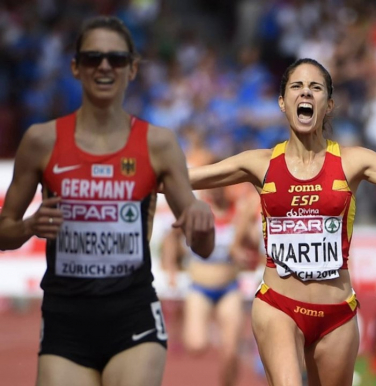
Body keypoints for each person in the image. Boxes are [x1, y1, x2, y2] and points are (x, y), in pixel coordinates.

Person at [186, 57, 376, 386]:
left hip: (337, 314)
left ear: (328, 104)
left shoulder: (351, 161)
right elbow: (185, 177)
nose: (306, 93)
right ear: (282, 102)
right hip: (278, 306)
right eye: (296, 87)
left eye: (315, 88)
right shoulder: (259, 163)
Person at [0, 16, 215, 386]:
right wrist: (27, 227)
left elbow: (203, 246)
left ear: (132, 69)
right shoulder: (41, 141)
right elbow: (3, 232)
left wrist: (201, 216)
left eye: (115, 59)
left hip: (133, 317)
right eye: (92, 57)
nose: (104, 66)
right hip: (65, 322)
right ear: (75, 67)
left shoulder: (158, 144)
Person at [161, 184, 261, 386]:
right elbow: (171, 238)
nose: (216, 192)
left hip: (229, 288)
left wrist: (247, 243)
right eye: (212, 188)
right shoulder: (197, 211)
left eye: (220, 188)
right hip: (199, 287)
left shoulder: (238, 212)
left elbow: (254, 244)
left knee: (231, 350)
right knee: (196, 345)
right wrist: (170, 266)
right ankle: (195, 324)